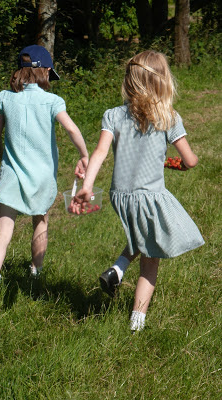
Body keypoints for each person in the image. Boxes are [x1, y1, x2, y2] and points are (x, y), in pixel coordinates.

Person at [71, 50, 204, 332]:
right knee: (151, 256)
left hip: (120, 194)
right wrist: (175, 163)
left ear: (130, 80)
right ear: (163, 81)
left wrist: (86, 187)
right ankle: (136, 323)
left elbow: (100, 152)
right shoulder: (168, 117)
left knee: (143, 236)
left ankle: (117, 269)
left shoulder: (113, 115)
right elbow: (190, 160)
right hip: (150, 194)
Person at [0, 45, 88, 295]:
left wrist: (3, 155)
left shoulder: (6, 98)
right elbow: (73, 130)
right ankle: (35, 271)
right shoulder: (52, 101)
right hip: (42, 176)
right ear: (44, 72)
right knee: (40, 222)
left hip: (12, 174)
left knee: (4, 228)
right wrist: (84, 155)